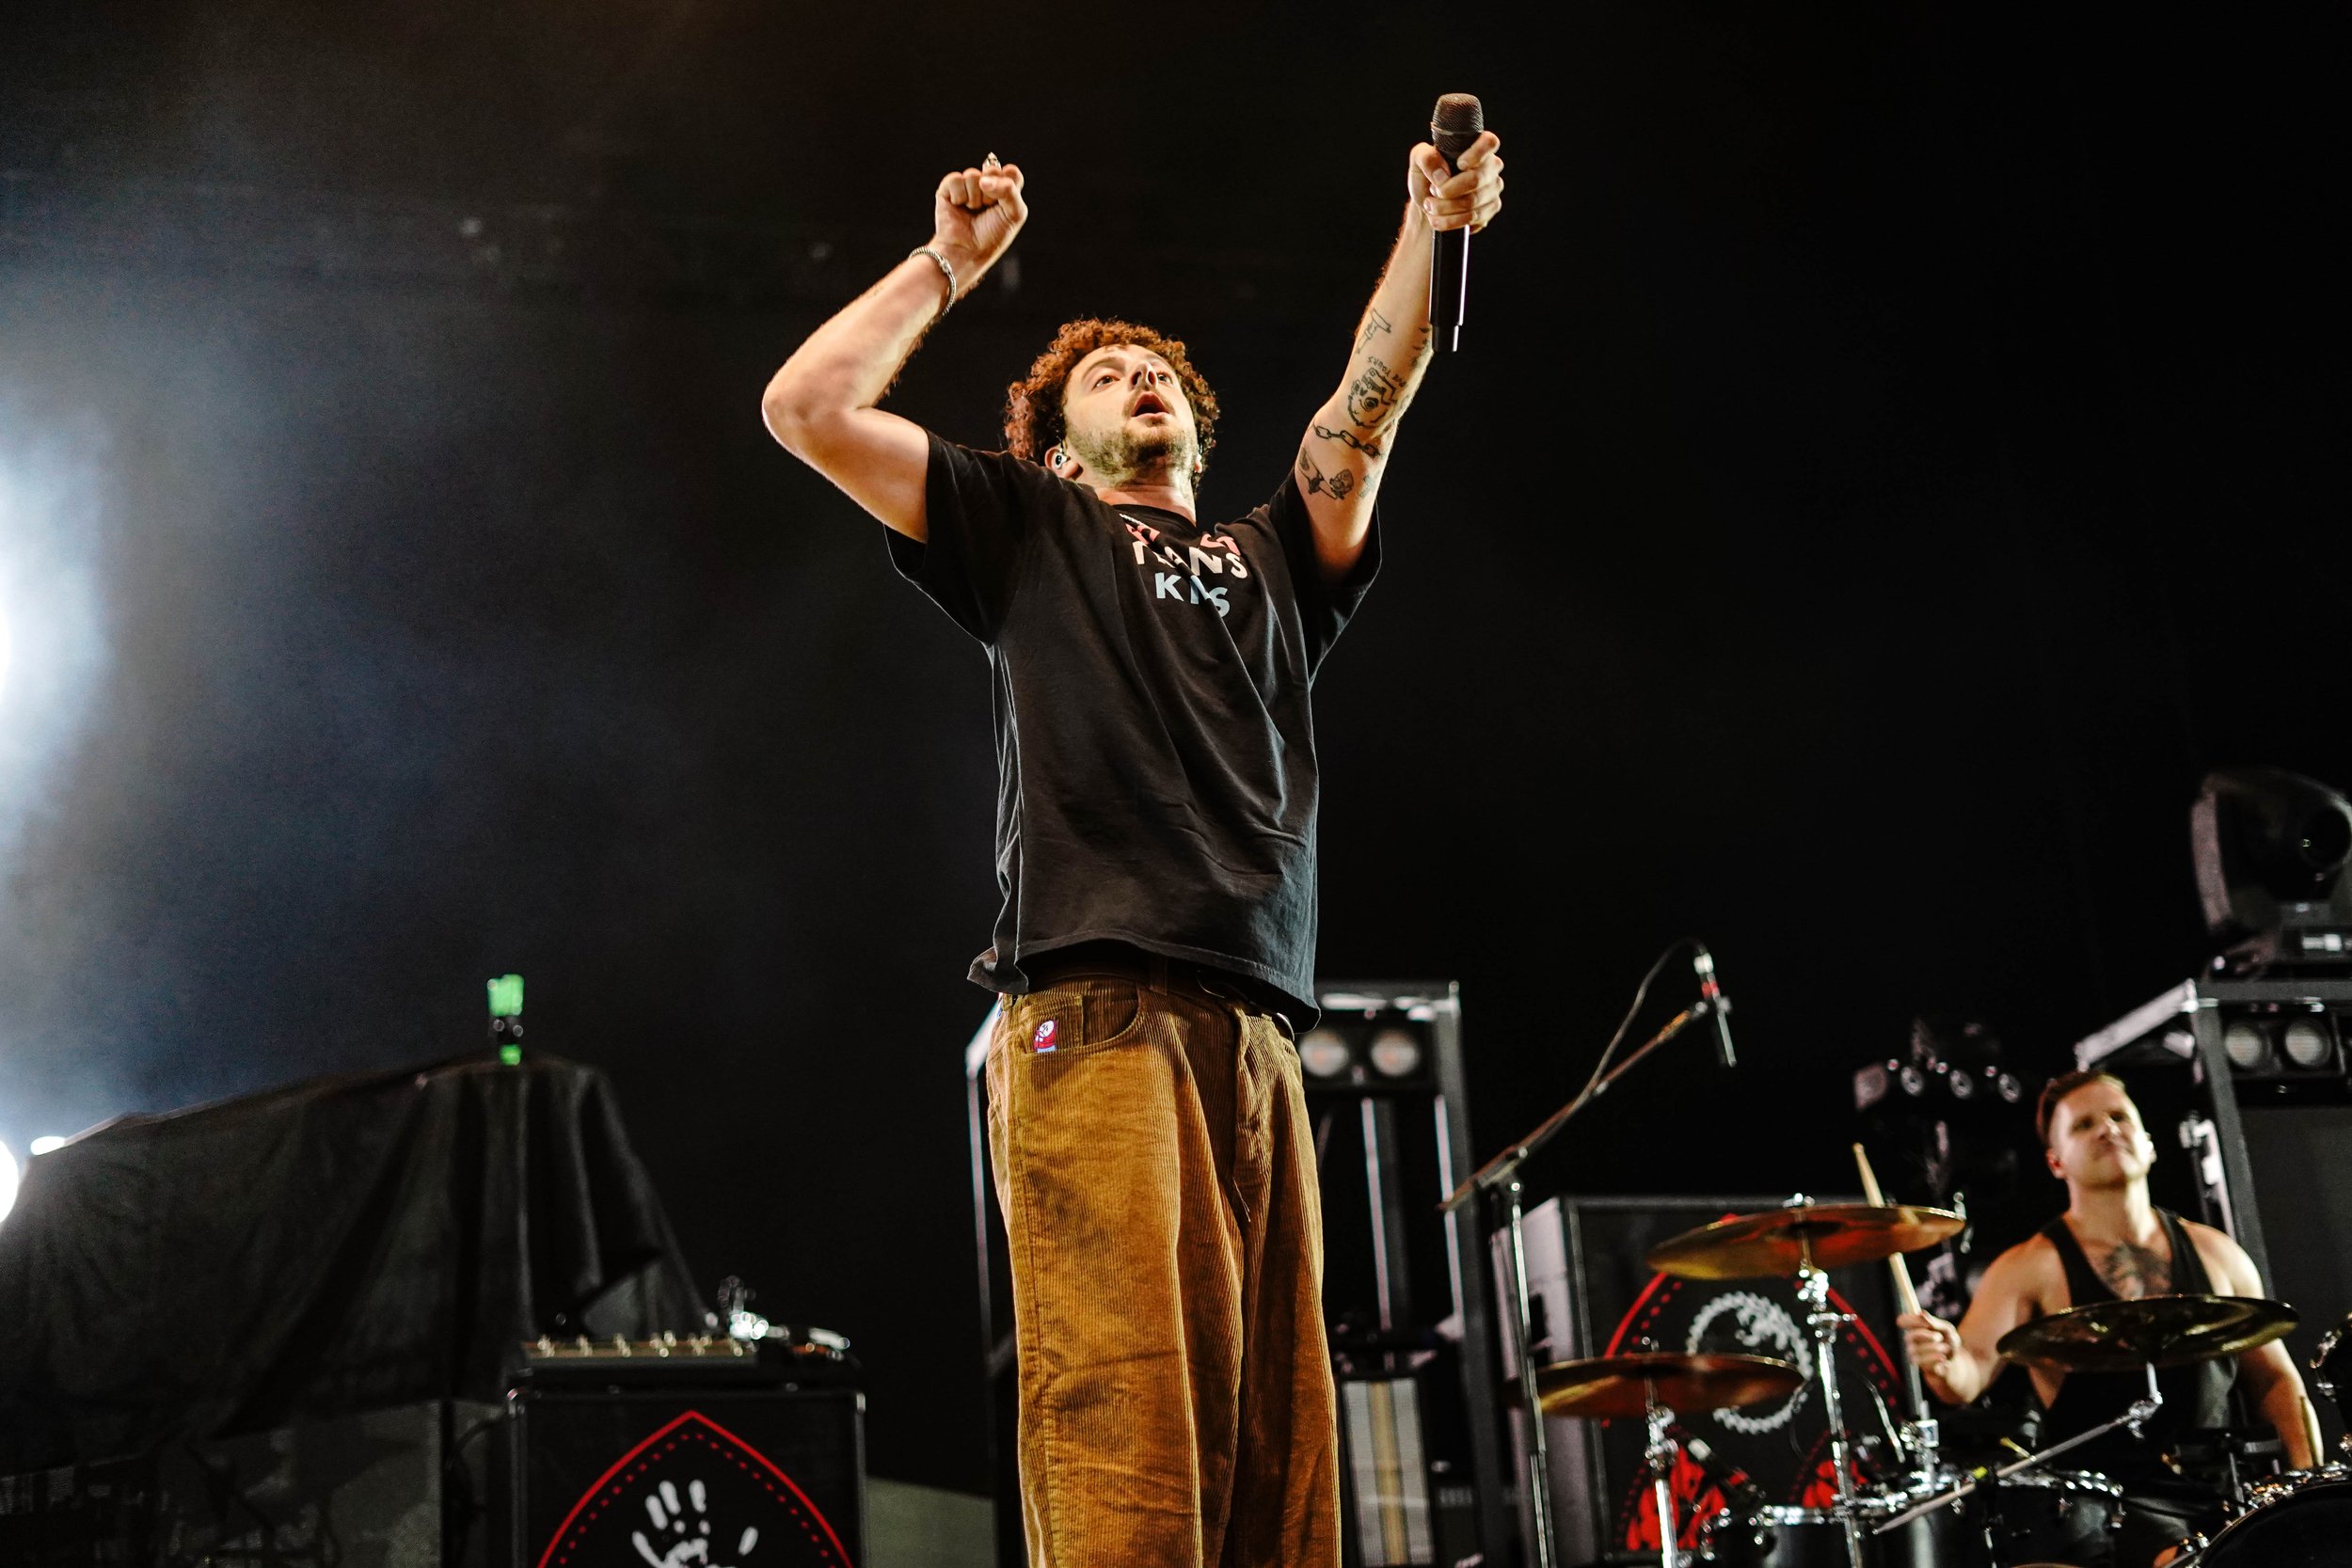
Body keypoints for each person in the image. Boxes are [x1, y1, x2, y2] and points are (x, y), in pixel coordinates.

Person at [758, 126, 1503, 1568]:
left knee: (1281, 1490)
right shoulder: (1026, 524)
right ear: (1053, 444)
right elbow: (805, 404)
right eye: (1104, 374)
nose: (1141, 376)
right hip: (1096, 1017)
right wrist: (949, 265)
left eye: (1157, 369)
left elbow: (1375, 390)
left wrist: (1431, 215)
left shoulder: (1274, 557)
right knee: (1126, 1464)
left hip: (1264, 1044)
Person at [1897, 1069, 2319, 1566]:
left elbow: (2275, 1382)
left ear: (2148, 1142)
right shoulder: (2029, 1266)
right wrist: (1944, 1361)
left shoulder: (2217, 1253)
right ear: (2056, 1162)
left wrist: (2307, 1494)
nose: (2107, 1129)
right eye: (2084, 1125)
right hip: (2107, 1509)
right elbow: (1965, 1378)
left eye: (2120, 1117)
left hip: (2224, 1495)